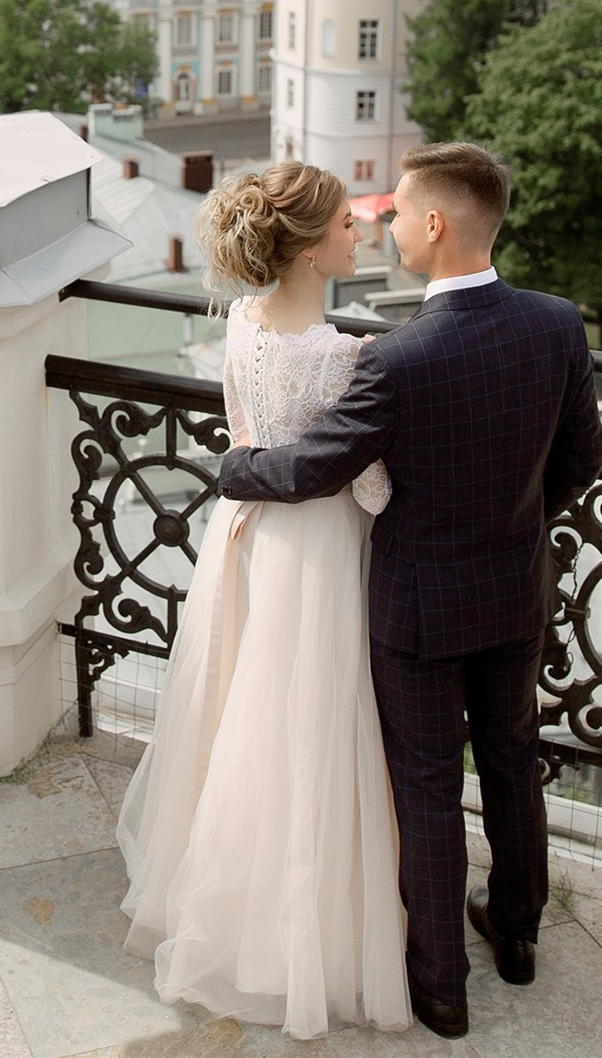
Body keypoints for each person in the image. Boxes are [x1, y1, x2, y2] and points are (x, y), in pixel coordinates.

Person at [217, 142, 602, 1040]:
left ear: (435, 224)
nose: (383, 223)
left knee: (426, 787)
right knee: (511, 758)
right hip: (512, 591)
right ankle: (517, 934)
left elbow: (317, 464)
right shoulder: (558, 324)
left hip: (417, 607)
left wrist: (234, 468)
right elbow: (580, 461)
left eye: (395, 213)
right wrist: (508, 526)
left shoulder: (396, 356)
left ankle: (441, 987)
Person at [115, 161, 413, 1039]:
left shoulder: (244, 322)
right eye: (347, 227)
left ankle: (231, 903)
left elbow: (251, 435)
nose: (360, 233)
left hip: (245, 535)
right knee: (311, 727)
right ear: (313, 249)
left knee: (245, 716)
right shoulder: (339, 356)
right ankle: (300, 936)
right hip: (315, 548)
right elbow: (367, 486)